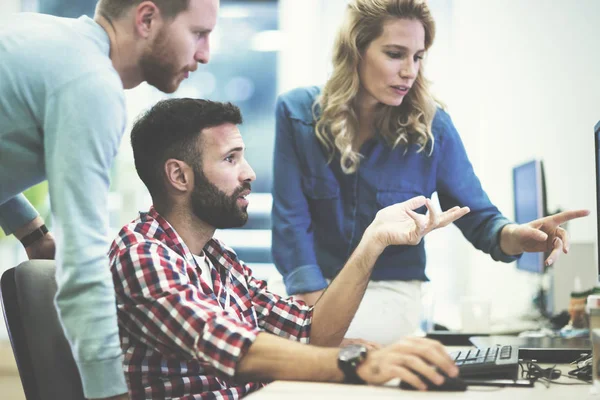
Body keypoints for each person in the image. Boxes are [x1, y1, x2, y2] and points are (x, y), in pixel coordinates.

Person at [271, 0, 590, 344]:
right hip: (312, 289)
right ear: (356, 52)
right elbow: (291, 224)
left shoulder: (434, 126)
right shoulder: (296, 112)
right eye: (395, 54)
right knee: (268, 334)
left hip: (390, 292)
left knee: (305, 343)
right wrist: (318, 316)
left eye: (418, 56)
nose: (410, 70)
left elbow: (480, 219)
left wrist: (518, 237)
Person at [108, 98, 469, 398]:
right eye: (230, 159)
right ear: (179, 176)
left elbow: (312, 333)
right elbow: (227, 344)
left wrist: (372, 241)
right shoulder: (140, 253)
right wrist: (360, 364)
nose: (248, 173)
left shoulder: (220, 260)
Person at [0, 1, 218, 398]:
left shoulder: (44, 39)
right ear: (147, 19)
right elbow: (82, 266)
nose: (205, 53)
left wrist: (32, 233)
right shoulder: (90, 84)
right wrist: (110, 393)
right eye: (198, 33)